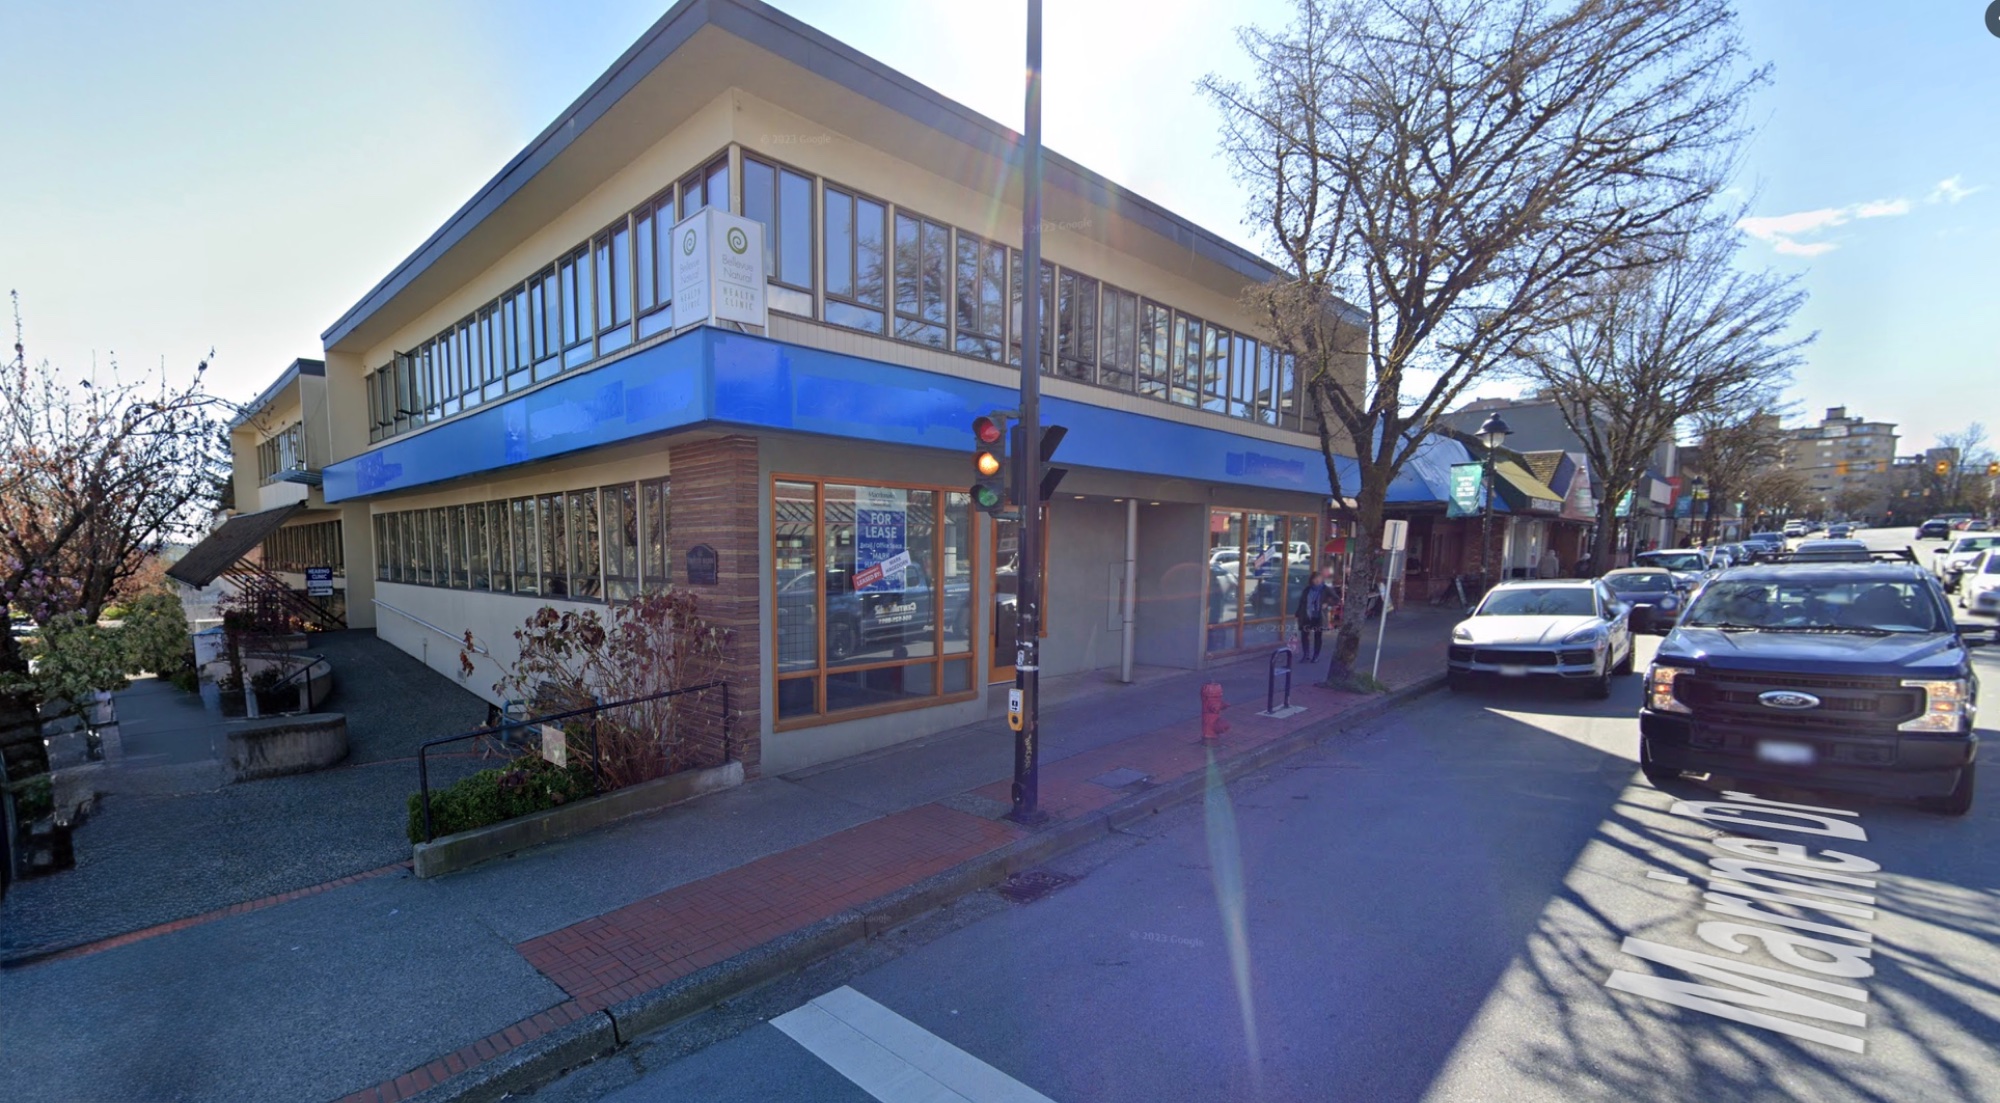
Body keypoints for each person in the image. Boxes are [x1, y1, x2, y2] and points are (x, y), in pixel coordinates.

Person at [1295, 568, 1331, 662]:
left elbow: (1336, 599)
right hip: (1307, 615)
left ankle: (1316, 656)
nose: (1317, 580)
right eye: (1315, 579)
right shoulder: (1307, 590)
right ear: (1311, 580)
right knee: (1304, 635)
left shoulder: (1325, 589)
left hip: (1318, 616)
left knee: (1317, 636)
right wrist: (1298, 613)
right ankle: (1306, 654)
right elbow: (1302, 602)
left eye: (1319, 578)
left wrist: (1327, 603)